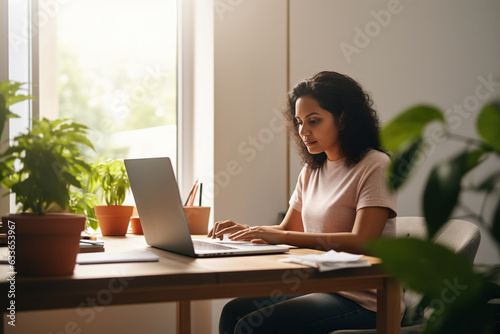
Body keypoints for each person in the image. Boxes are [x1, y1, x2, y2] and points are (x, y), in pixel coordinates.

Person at [208, 71, 404, 334]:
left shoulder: (375, 165)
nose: (303, 132)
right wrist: (246, 231)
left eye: (314, 121)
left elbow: (363, 240)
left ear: (343, 118)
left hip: (366, 300)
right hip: (323, 288)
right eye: (299, 122)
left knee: (254, 327)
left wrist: (278, 235)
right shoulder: (312, 170)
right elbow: (290, 229)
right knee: (234, 312)